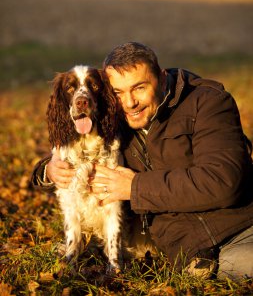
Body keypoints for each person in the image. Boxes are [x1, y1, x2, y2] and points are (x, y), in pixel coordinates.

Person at [32, 42, 253, 280]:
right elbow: (80, 148)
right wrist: (48, 169)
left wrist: (134, 187)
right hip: (187, 249)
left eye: (139, 87)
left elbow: (223, 181)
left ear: (161, 77)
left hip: (240, 228)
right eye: (118, 93)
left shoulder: (208, 102)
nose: (129, 102)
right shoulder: (116, 118)